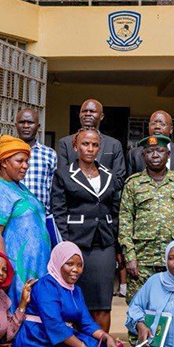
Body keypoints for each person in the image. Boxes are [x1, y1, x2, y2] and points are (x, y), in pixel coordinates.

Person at [11, 242, 124, 347]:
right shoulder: (45, 286)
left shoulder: (75, 290)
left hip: (62, 340)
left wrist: (106, 336)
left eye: (79, 265)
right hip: (37, 343)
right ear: (58, 263)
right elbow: (55, 326)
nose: (76, 270)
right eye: (69, 264)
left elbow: (86, 322)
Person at [51, 128, 121, 332]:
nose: (90, 149)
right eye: (85, 144)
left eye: (95, 145)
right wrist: (65, 247)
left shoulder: (109, 175)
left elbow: (115, 211)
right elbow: (59, 212)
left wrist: (117, 245)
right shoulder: (64, 174)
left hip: (103, 246)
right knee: (75, 302)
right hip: (76, 245)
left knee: (102, 304)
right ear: (75, 146)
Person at [0, 136, 51, 307]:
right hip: (18, 268)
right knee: (18, 313)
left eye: (27, 161)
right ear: (4, 162)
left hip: (37, 265)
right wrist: (4, 271)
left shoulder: (19, 187)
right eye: (19, 161)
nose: (25, 166)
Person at [119, 135, 174, 303]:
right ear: (143, 156)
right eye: (149, 152)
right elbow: (125, 221)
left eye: (160, 151)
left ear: (169, 155)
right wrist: (130, 257)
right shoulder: (133, 184)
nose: (155, 156)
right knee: (139, 306)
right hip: (142, 260)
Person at [0, 108, 59, 217]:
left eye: (30, 123)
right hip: (10, 216)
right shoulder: (4, 152)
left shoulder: (49, 154)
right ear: (16, 125)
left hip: (41, 217)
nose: (26, 126)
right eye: (22, 122)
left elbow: (53, 190)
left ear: (38, 126)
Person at [56, 99, 126, 187]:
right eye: (84, 111)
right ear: (79, 115)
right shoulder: (65, 143)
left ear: (101, 116)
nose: (88, 114)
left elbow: (119, 177)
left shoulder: (114, 144)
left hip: (104, 198)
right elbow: (62, 176)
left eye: (92, 111)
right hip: (74, 197)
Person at [127, 110, 174, 176]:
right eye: (153, 123)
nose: (157, 127)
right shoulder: (134, 154)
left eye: (162, 124)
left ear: (171, 129)